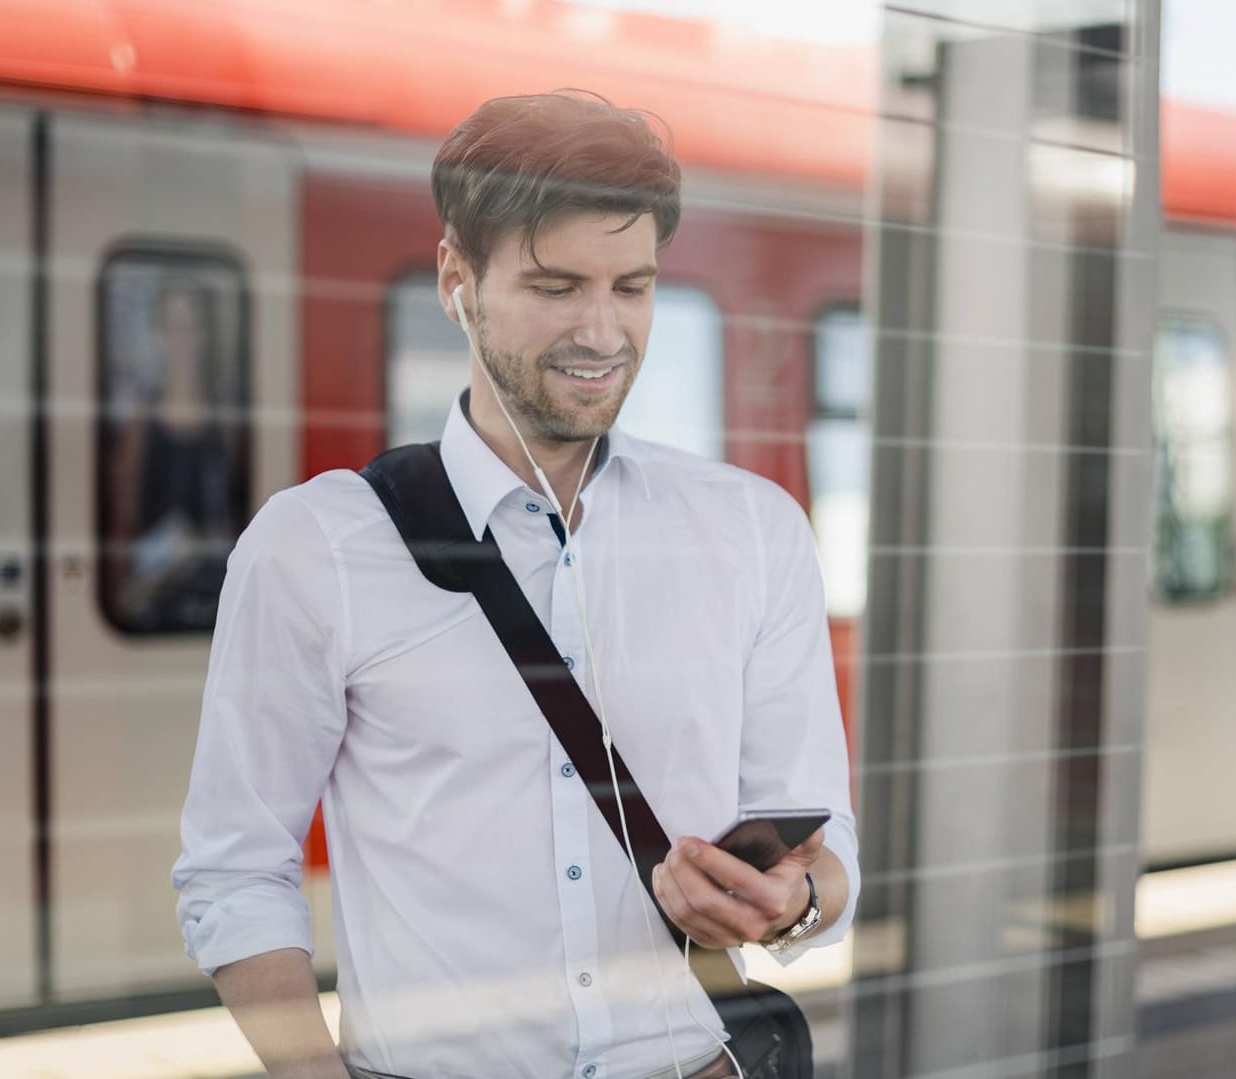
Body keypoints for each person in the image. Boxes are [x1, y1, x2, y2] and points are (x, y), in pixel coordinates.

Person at [172, 91, 859, 1079]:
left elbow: (829, 855)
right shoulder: (316, 547)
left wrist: (790, 903)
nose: (602, 330)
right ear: (458, 278)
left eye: (632, 287)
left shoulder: (752, 531)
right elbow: (236, 866)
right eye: (556, 285)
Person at [108, 275, 240, 630]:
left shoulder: (225, 424)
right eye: (171, 327)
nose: (180, 340)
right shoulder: (140, 421)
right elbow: (123, 519)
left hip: (213, 602)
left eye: (189, 327)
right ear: (159, 337)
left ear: (203, 335)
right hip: (152, 599)